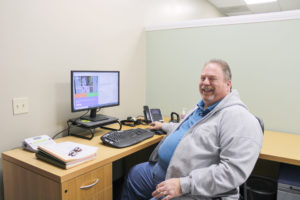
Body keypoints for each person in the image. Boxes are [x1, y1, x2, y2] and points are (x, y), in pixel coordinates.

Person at [120, 59, 263, 200]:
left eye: (212, 79)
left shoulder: (240, 119)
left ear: (228, 84)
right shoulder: (203, 107)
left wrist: (183, 185)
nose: (205, 82)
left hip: (191, 189)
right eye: (203, 78)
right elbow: (188, 131)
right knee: (134, 174)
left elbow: (232, 172)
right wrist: (163, 126)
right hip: (161, 171)